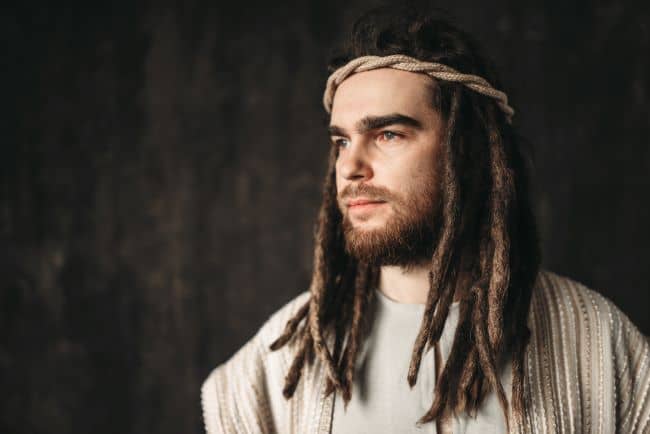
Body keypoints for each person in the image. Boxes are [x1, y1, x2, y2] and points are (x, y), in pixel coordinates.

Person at [200, 4, 650, 433]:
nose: (350, 166)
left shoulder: (598, 341)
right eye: (342, 141)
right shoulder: (272, 369)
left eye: (388, 134)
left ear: (467, 151)